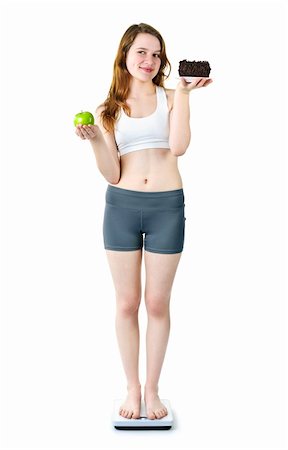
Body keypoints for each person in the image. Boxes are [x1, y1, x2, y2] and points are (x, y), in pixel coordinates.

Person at [75, 23, 213, 420]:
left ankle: (153, 390)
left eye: (156, 54)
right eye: (141, 53)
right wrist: (97, 141)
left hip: (167, 206)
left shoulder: (172, 97)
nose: (149, 61)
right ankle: (132, 389)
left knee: (156, 303)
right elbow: (112, 174)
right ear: (124, 56)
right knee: (126, 302)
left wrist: (184, 95)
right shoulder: (107, 110)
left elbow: (179, 146)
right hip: (121, 205)